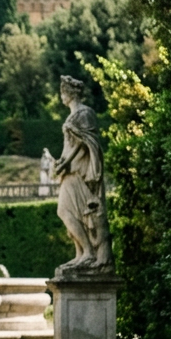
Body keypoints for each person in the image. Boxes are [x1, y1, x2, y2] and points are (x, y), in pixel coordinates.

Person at [53, 76, 112, 270]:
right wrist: (60, 162)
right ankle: (80, 253)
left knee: (66, 211)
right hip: (69, 171)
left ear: (70, 93)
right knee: (70, 213)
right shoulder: (71, 116)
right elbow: (69, 145)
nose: (61, 95)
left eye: (63, 91)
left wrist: (67, 162)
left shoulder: (85, 113)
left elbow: (86, 143)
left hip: (80, 173)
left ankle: (88, 252)